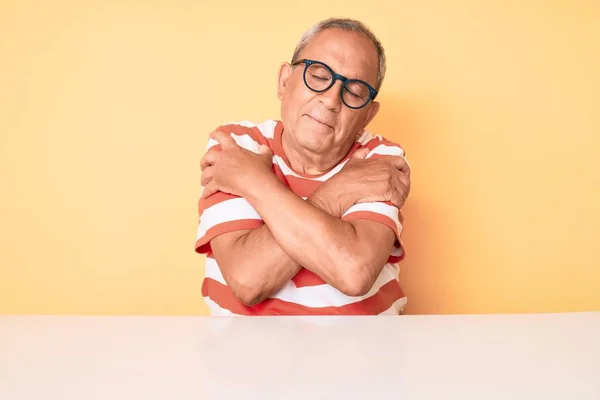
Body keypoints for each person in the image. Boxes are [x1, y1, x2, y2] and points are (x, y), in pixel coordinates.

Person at [195, 18, 411, 315]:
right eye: (319, 76)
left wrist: (254, 181)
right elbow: (248, 280)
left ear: (368, 115)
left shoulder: (382, 159)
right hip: (244, 355)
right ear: (285, 81)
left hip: (362, 355)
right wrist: (340, 191)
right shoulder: (236, 145)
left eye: (355, 91)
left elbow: (354, 271)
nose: (331, 99)